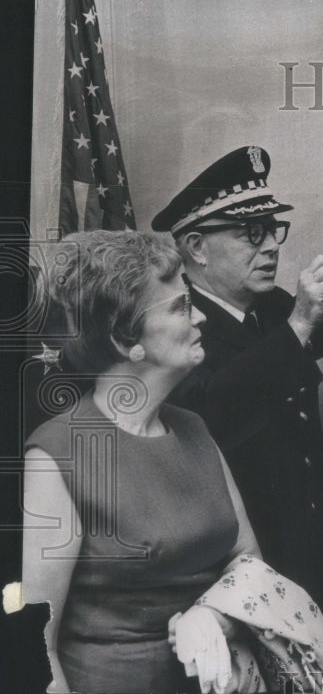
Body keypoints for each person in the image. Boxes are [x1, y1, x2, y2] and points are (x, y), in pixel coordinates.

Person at [21, 230, 259, 694]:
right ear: (123, 338)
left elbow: (247, 560)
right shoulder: (56, 454)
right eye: (180, 307)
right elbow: (34, 643)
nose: (202, 317)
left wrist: (217, 615)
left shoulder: (194, 428)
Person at [152, 146, 323, 616]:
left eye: (272, 229)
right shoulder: (172, 324)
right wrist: (300, 325)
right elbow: (210, 408)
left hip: (305, 562)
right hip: (228, 578)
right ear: (197, 248)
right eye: (252, 233)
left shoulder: (266, 309)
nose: (271, 245)